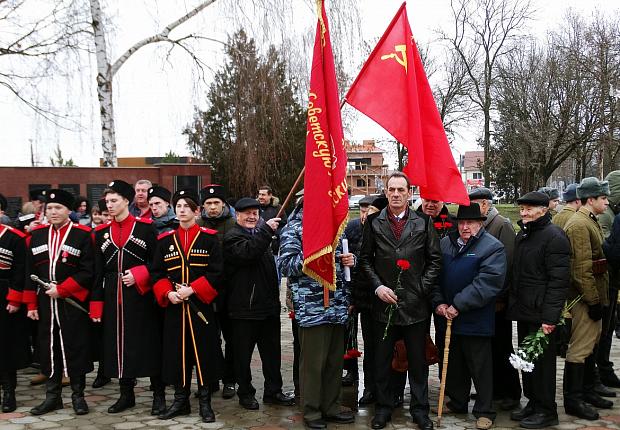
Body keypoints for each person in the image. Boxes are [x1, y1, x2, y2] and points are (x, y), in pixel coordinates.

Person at [358, 172, 442, 430]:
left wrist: (420, 287)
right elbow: (365, 260)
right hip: (383, 304)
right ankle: (383, 408)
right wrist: (378, 287)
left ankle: (420, 409)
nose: (395, 194)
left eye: (400, 190)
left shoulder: (423, 222)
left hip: (415, 305)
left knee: (417, 360)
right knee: (382, 359)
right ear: (386, 193)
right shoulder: (373, 222)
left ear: (409, 193)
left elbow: (435, 260)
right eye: (391, 189)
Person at [278, 198, 355, 430]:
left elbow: (340, 262)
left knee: (334, 361)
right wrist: (315, 257)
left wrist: (351, 261)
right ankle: (311, 412)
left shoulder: (335, 228)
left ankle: (331, 407)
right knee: (313, 363)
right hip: (312, 306)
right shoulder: (294, 228)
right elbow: (286, 265)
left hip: (337, 304)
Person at [90, 180, 165, 415]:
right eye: (107, 202)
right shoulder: (101, 233)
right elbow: (97, 272)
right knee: (118, 345)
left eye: (114, 201)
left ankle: (159, 394)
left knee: (149, 343)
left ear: (126, 200)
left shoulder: (146, 228)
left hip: (142, 297)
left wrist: (140, 275)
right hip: (114, 295)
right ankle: (126, 394)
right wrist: (96, 305)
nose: (109, 206)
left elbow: (158, 265)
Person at [151, 189, 224, 423]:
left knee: (203, 353)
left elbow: (217, 272)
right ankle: (180, 401)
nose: (181, 210)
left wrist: (193, 289)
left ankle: (205, 403)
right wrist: (168, 293)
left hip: (200, 307)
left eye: (186, 206)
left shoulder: (210, 238)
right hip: (175, 308)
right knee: (177, 355)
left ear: (196, 211)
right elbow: (157, 272)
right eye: (178, 206)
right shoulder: (165, 241)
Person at [434, 203, 506, 430]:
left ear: (480, 223)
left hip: (475, 318)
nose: (465, 227)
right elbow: (435, 275)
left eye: (470, 223)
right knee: (454, 362)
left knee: (480, 365)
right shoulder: (446, 242)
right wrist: (439, 302)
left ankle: (485, 410)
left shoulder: (492, 247)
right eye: (461, 222)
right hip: (447, 317)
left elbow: (487, 283)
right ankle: (457, 401)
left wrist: (458, 304)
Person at [24, 189, 95, 416]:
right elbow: (29, 272)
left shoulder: (83, 235)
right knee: (48, 348)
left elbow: (88, 271)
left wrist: (63, 289)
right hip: (45, 303)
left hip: (71, 301)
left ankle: (78, 396)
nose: (53, 212)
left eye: (58, 208)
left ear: (69, 211)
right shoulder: (36, 236)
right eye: (49, 208)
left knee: (75, 346)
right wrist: (31, 305)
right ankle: (52, 397)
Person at [223, 197, 294, 410]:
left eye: (255, 213)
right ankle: (245, 392)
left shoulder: (260, 236)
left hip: (268, 307)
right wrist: (266, 232)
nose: (252, 217)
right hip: (244, 309)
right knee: (242, 355)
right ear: (237, 215)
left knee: (272, 355)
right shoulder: (232, 237)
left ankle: (273, 391)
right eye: (247, 213)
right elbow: (248, 253)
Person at [507, 191, 570, 429]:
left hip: (542, 313)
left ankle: (546, 410)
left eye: (529, 209)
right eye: (522, 208)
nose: (524, 213)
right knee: (527, 360)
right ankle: (533, 403)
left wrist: (550, 317)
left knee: (543, 365)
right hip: (525, 310)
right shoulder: (524, 235)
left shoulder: (554, 237)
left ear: (544, 210)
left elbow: (558, 281)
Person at [563, 177, 613, 420]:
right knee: (580, 349)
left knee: (591, 343)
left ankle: (587, 390)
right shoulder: (579, 224)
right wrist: (593, 301)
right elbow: (581, 269)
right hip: (584, 298)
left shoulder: (588, 220)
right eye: (603, 198)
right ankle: (573, 400)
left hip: (594, 294)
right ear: (590, 199)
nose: (607, 201)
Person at [468, 187, 520, 410]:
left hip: (498, 300)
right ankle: (491, 390)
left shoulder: (502, 225)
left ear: (486, 204)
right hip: (482, 299)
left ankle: (510, 392)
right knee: (487, 349)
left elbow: (507, 265)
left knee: (502, 347)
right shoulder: (478, 226)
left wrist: (501, 297)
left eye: (476, 203)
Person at [198, 184, 237, 399]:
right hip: (204, 292)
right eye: (209, 203)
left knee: (231, 339)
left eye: (216, 203)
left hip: (229, 292)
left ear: (223, 204)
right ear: (203, 205)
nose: (213, 207)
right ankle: (210, 379)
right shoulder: (197, 225)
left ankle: (230, 380)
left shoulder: (233, 225)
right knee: (208, 339)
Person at [0, 213, 31, 413]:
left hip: (4, 296)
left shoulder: (14, 237)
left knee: (5, 346)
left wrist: (15, 298)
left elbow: (21, 270)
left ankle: (9, 391)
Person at [345, 195, 374, 403]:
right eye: (362, 210)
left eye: (369, 211)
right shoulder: (352, 227)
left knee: (374, 345)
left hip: (374, 296)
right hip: (354, 292)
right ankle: (351, 372)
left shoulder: (381, 228)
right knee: (349, 337)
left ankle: (372, 387)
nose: (365, 215)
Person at [596, 170, 620, 393]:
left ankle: (604, 368)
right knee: (603, 330)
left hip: (612, 279)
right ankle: (600, 371)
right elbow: (604, 248)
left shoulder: (610, 213)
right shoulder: (606, 216)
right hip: (606, 279)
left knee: (608, 328)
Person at [257, 185, 286, 254]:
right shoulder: (255, 207)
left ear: (270, 195)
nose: (260, 197)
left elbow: (284, 225)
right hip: (257, 243)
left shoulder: (278, 208)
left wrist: (275, 234)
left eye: (263, 195)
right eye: (259, 194)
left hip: (273, 246)